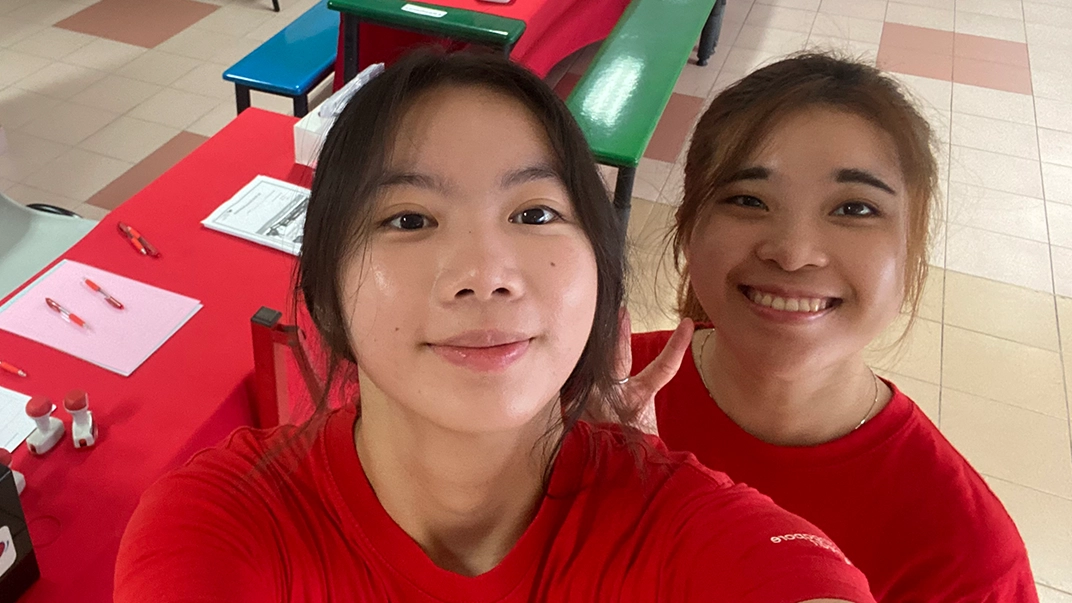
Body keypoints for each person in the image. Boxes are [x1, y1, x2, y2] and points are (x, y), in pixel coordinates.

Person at [113, 51, 875, 602]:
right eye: (409, 218)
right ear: (323, 296)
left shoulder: (680, 528)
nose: (487, 270)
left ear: (601, 277)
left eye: (535, 212)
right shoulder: (221, 524)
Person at [629, 53, 1038, 602]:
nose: (794, 253)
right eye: (748, 199)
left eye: (854, 209)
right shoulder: (585, 390)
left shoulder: (962, 556)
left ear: (911, 248)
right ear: (688, 226)